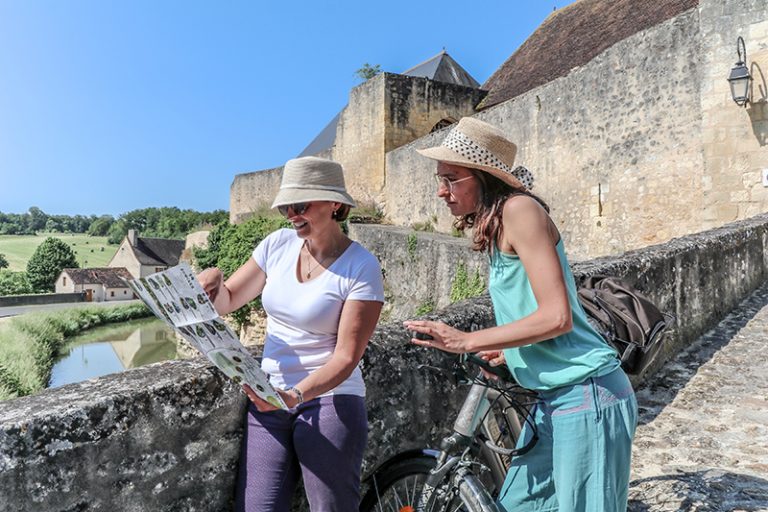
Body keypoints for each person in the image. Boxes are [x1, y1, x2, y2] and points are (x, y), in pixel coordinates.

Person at [403, 117, 638, 511]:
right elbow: (533, 316)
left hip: (586, 394)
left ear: (483, 176)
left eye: (452, 178)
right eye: (439, 178)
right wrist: (510, 352)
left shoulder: (520, 209)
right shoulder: (496, 226)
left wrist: (468, 340)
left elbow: (557, 317)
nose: (442, 191)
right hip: (552, 401)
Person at [197, 156, 384, 512]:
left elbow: (346, 357)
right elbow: (229, 299)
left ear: (334, 204)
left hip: (331, 399)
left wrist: (295, 396)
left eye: (300, 205)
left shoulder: (361, 266)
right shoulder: (277, 245)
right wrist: (213, 281)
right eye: (286, 207)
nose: (291, 215)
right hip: (270, 396)